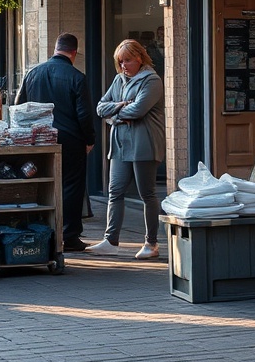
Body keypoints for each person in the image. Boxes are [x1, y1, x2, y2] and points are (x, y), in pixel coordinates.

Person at [14, 32, 97, 252]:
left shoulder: (33, 73)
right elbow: (84, 114)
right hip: (70, 140)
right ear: (74, 52)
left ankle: (41, 229)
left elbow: (19, 106)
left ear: (55, 49)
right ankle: (68, 236)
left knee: (41, 183)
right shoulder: (77, 77)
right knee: (71, 186)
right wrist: (89, 140)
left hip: (38, 139)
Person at [87, 39, 166, 260]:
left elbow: (138, 111)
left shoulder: (152, 81)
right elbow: (101, 107)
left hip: (145, 144)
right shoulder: (119, 80)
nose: (123, 65)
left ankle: (151, 243)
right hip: (120, 145)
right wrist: (121, 106)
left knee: (147, 194)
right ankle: (111, 240)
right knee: (115, 191)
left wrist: (115, 115)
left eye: (128, 60)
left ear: (140, 58)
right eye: (120, 61)